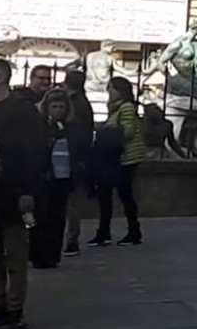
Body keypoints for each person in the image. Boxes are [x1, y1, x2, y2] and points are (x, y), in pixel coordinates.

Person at [0, 58, 48, 329]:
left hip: (14, 188)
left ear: (1, 77)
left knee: (15, 253)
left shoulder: (22, 111)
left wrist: (28, 191)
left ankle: (16, 308)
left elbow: (34, 152)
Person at [88, 76, 145, 246]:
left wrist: (105, 132)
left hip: (125, 158)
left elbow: (127, 131)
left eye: (112, 89)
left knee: (123, 194)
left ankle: (133, 231)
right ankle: (105, 231)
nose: (109, 93)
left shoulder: (126, 108)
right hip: (115, 158)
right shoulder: (116, 109)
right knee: (108, 195)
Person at [28, 90, 77, 270]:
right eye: (54, 107)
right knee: (42, 217)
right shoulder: (40, 127)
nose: (57, 110)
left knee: (58, 217)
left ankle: (53, 255)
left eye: (61, 107)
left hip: (63, 177)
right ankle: (39, 255)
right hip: (45, 177)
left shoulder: (71, 127)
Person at [59, 65, 94, 256]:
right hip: (77, 157)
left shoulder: (75, 103)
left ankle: (71, 239)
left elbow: (80, 134)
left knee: (70, 202)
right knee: (72, 202)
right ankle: (70, 239)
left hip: (73, 156)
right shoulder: (82, 102)